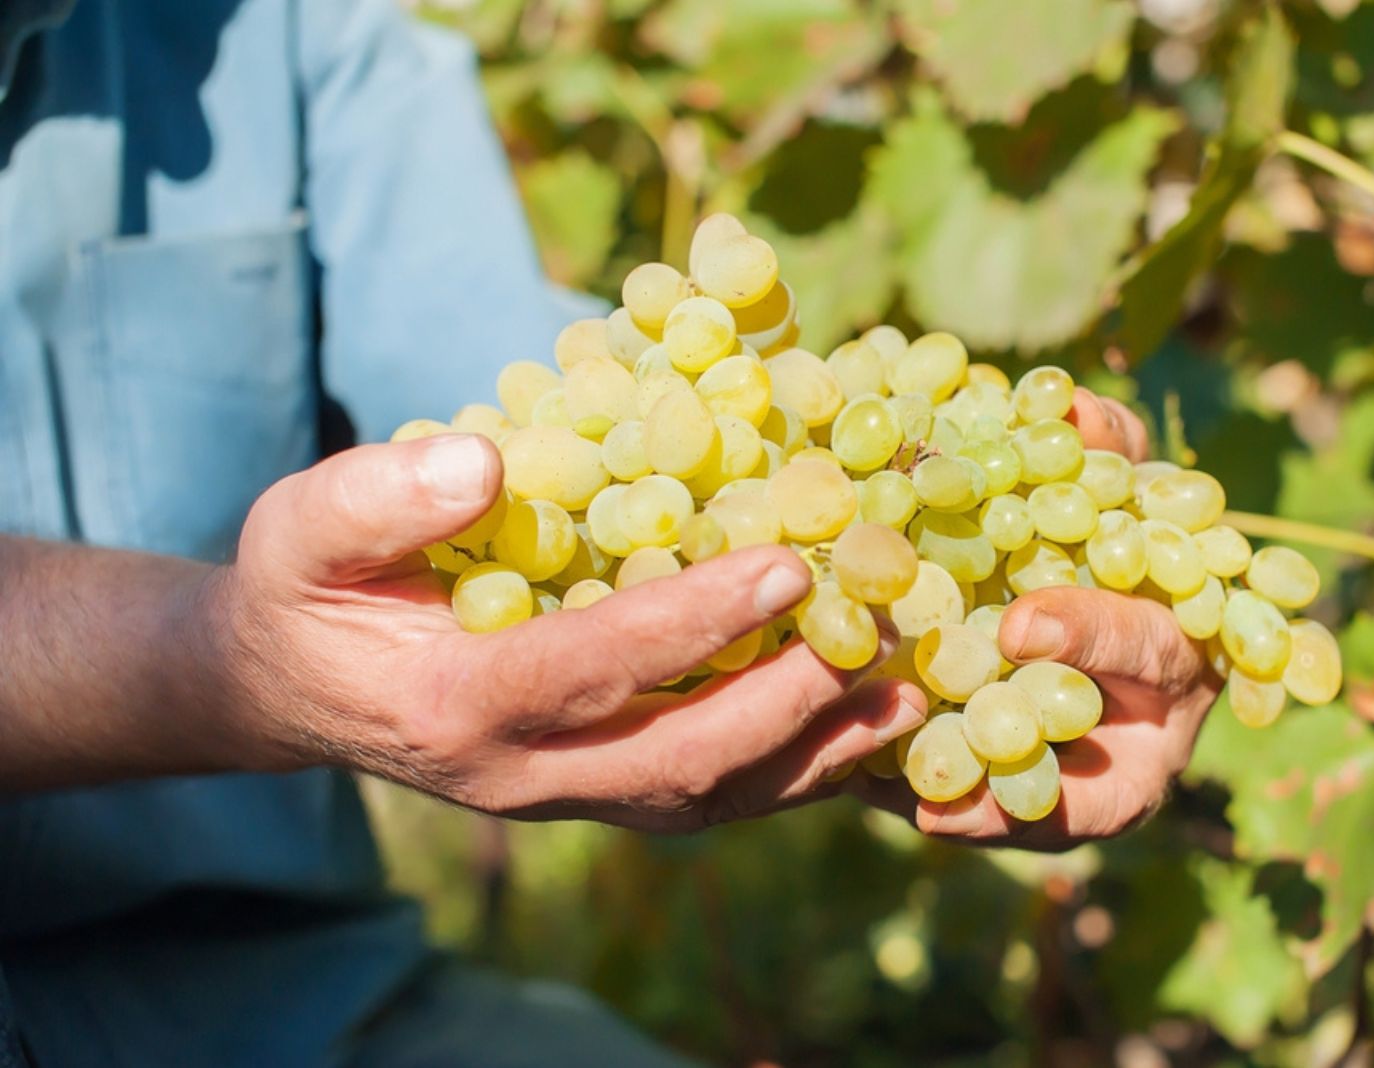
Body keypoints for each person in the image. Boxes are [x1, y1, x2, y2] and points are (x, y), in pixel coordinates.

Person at [0, 0, 1221, 1065]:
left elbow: (573, 428)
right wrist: (227, 664)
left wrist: (883, 672)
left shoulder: (293, 25)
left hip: (277, 994)